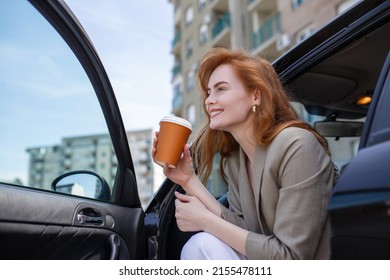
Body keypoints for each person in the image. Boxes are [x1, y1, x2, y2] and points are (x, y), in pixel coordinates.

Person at [152, 47, 338, 260]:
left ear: (255, 95)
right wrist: (189, 180)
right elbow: (245, 233)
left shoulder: (297, 145)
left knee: (202, 244)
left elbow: (291, 257)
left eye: (221, 89)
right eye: (209, 92)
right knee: (203, 243)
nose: (209, 100)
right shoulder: (236, 160)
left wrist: (205, 221)